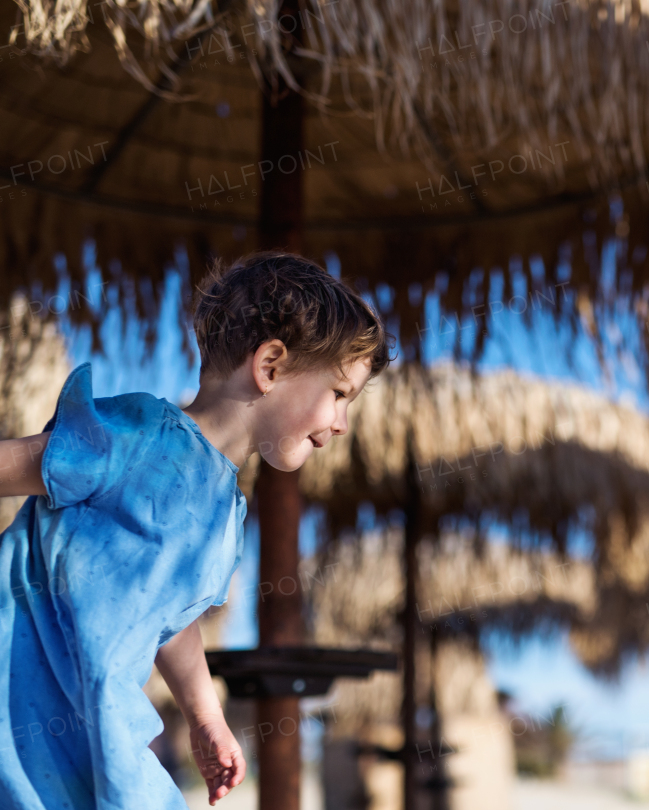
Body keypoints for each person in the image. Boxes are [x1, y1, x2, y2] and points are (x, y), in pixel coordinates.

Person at [0, 251, 394, 808]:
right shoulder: (136, 437)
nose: (341, 423)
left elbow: (169, 615)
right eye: (338, 394)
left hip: (91, 736)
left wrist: (205, 717)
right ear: (271, 366)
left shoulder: (224, 513)